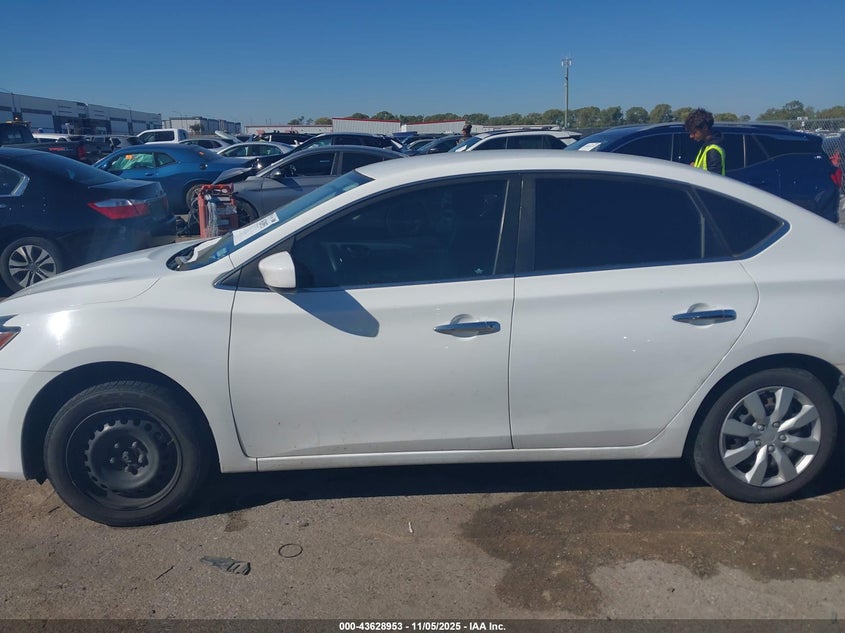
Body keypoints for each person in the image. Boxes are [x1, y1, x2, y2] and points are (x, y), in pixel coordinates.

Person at [684, 108, 725, 175]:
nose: (691, 136)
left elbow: (714, 179)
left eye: (694, 132)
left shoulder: (713, 151)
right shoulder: (707, 146)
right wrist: (695, 167)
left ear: (705, 128)